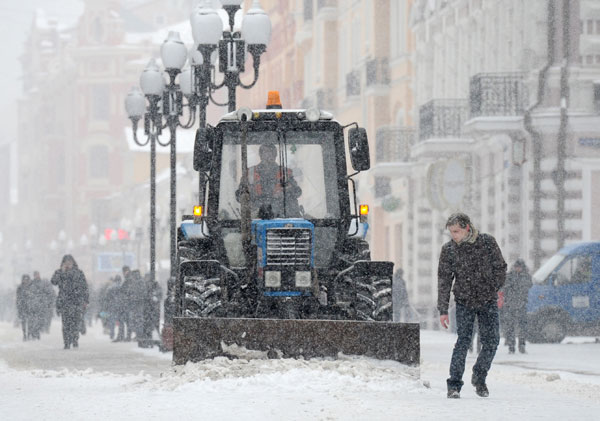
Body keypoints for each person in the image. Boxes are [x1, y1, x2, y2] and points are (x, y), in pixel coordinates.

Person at [437, 213, 507, 399]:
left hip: (487, 300)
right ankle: (454, 385)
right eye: (451, 232)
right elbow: (444, 280)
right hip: (464, 301)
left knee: (492, 341)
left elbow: (501, 267)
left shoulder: (487, 243)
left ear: (467, 227)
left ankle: (479, 377)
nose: (454, 236)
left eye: (456, 231)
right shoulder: (449, 250)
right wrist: (443, 310)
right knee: (463, 341)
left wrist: (492, 287)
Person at [236, 143, 302, 218]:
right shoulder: (250, 173)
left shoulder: (286, 173)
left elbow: (298, 192)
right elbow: (239, 196)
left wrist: (288, 191)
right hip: (255, 218)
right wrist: (247, 194)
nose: (269, 155)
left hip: (282, 218)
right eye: (266, 152)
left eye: (272, 152)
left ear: (276, 155)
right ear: (260, 155)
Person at [51, 255, 89, 349]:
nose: (68, 264)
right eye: (66, 262)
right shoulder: (59, 272)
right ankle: (66, 342)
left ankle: (75, 339)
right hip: (64, 302)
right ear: (63, 263)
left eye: (69, 262)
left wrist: (85, 300)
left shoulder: (79, 273)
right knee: (66, 323)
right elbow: (53, 281)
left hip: (76, 301)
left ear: (73, 262)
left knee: (75, 322)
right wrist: (62, 272)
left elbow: (84, 287)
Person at [502, 259, 532, 354]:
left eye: (519, 267)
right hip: (510, 304)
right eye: (516, 267)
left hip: (521, 304)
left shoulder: (525, 276)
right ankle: (511, 346)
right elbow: (505, 287)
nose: (517, 269)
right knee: (510, 326)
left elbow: (528, 286)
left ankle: (521, 345)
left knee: (522, 326)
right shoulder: (510, 276)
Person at [16, 274, 33, 341]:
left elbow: (34, 296)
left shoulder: (31, 287)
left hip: (30, 306)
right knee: (23, 321)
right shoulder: (20, 287)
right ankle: (24, 334)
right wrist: (18, 305)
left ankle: (28, 334)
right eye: (24, 279)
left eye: (26, 279)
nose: (25, 281)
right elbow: (18, 297)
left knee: (30, 321)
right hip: (22, 306)